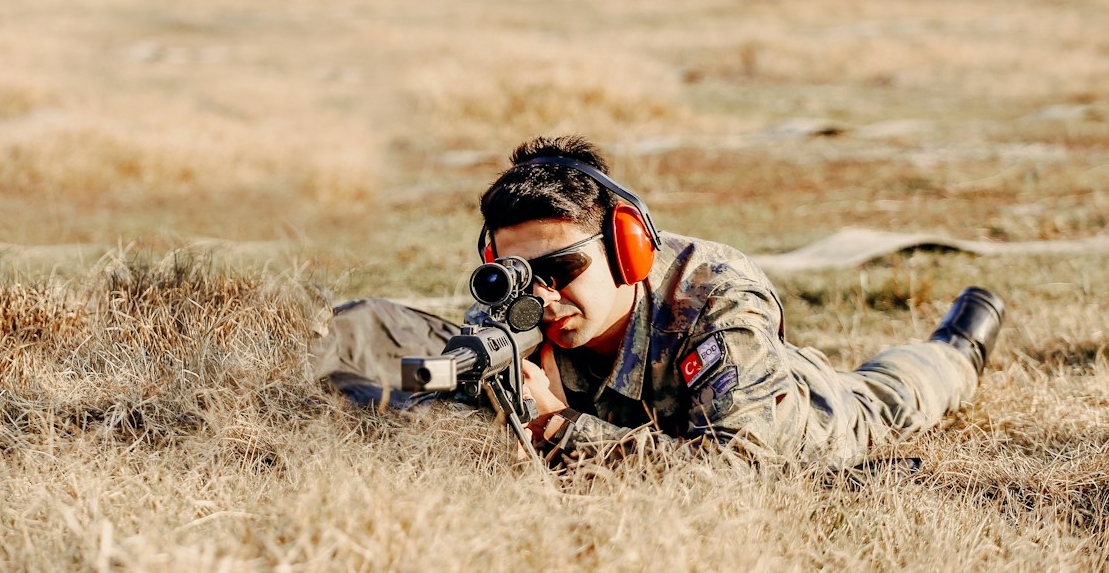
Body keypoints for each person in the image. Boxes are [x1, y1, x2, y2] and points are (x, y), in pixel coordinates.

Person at [314, 135, 1005, 468]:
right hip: (648, 421)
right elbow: (433, 378)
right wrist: (425, 382)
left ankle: (957, 345)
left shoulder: (713, 295)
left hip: (801, 418)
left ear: (626, 248)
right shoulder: (521, 313)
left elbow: (737, 474)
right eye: (518, 275)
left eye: (561, 268)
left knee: (889, 395)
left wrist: (559, 430)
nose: (542, 295)